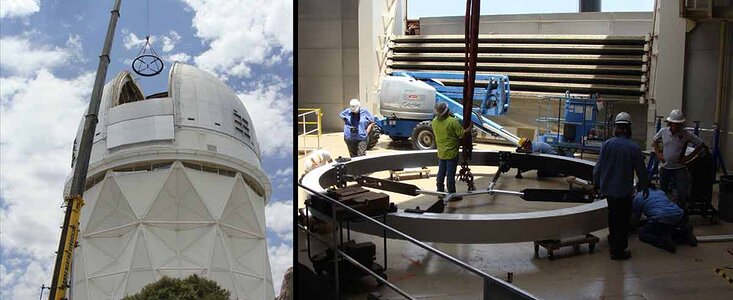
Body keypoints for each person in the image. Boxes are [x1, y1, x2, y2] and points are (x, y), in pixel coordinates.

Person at [593, 112, 650, 260]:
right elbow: (641, 171)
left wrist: (596, 184)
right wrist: (644, 187)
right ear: (629, 128)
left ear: (616, 128)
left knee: (612, 217)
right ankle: (618, 251)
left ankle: (613, 240)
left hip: (608, 191)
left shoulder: (607, 144)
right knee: (623, 220)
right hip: (623, 192)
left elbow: (597, 168)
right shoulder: (634, 148)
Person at [652, 109, 706, 208]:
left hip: (679, 168)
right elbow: (655, 140)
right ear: (670, 123)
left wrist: (689, 157)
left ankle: (681, 214)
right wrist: (658, 154)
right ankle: (661, 212)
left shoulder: (686, 134)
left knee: (681, 194)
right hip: (665, 167)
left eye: (677, 124)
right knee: (662, 193)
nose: (675, 126)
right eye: (673, 124)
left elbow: (700, 144)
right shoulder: (663, 131)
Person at [631, 184, 698, 254]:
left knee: (643, 234)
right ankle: (683, 234)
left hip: (662, 218)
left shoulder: (638, 197)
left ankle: (663, 241)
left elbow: (636, 220)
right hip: (679, 215)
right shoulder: (660, 192)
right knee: (667, 227)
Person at [431, 102, 470, 195]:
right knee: (450, 174)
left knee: (441, 172)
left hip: (441, 152)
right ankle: (452, 194)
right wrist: (469, 128)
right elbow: (461, 134)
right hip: (452, 153)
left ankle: (440, 191)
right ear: (447, 111)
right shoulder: (452, 121)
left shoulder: (434, 122)